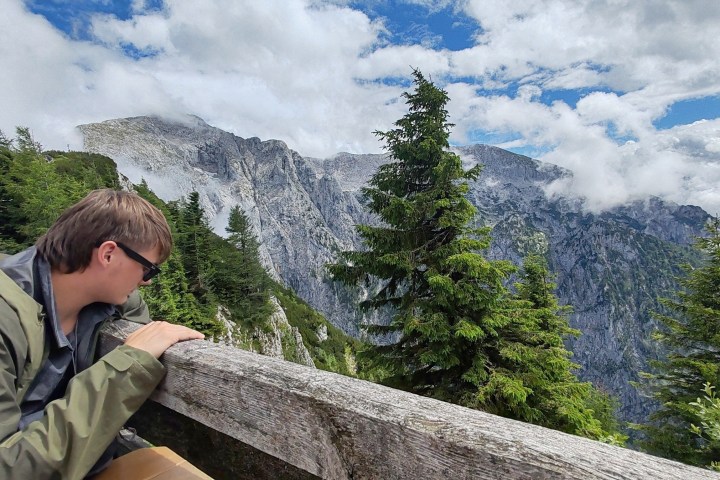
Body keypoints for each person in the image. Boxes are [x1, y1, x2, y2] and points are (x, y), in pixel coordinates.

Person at [0, 189, 205, 479]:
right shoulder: (5, 319)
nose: (146, 282)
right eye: (148, 269)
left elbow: (133, 307)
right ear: (108, 254)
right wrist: (126, 367)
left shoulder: (93, 299)